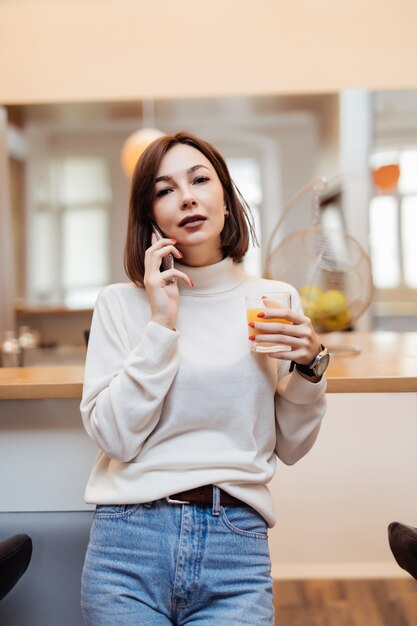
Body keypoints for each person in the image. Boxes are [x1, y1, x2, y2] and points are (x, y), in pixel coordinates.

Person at [80, 131, 328, 625]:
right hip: (127, 547)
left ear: (228, 201)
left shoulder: (273, 301)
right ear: (150, 216)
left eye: (199, 180)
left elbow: (293, 447)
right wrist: (162, 323)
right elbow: (115, 437)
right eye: (164, 189)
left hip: (234, 547)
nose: (187, 196)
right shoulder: (119, 303)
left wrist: (310, 368)